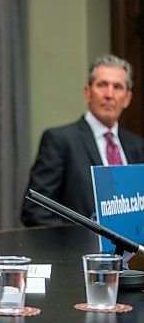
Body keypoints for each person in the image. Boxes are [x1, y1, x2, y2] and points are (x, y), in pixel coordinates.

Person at [21, 54, 144, 227]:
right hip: (80, 252)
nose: (109, 94)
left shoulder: (137, 146)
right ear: (88, 92)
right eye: (102, 85)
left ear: (127, 98)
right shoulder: (60, 141)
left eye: (117, 87)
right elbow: (35, 210)